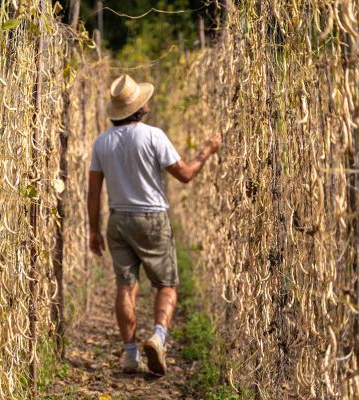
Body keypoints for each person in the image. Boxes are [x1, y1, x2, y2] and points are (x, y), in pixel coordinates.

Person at [87, 74, 221, 375]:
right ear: (138, 107)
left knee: (125, 286)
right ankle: (159, 338)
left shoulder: (102, 142)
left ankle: (131, 354)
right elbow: (185, 174)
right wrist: (207, 151)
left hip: (118, 219)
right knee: (167, 284)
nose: (148, 102)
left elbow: (93, 190)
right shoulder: (153, 136)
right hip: (152, 219)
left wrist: (93, 230)